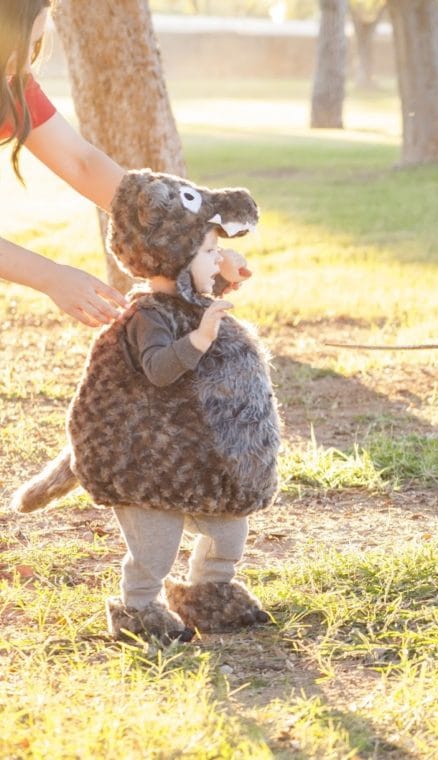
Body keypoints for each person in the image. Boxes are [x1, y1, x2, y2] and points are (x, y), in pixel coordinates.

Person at [10, 169, 280, 643]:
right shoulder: (148, 315)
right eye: (209, 252)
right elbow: (158, 369)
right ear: (177, 261)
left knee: (228, 533)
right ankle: (138, 607)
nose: (218, 258)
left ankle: (208, 591)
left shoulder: (191, 297)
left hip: (201, 463)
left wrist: (222, 270)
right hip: (147, 460)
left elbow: (198, 291)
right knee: (155, 546)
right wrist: (200, 338)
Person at [0, 0, 247, 326]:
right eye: (19, 47)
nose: (27, 66)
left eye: (35, 47)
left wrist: (199, 242)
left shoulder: (13, 86)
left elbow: (82, 163)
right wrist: (51, 276)